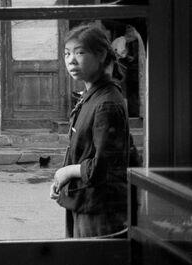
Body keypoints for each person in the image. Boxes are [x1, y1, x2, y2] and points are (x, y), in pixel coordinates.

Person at [49, 22, 130, 238]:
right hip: (84, 200)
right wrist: (62, 182)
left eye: (80, 52)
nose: (70, 60)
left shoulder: (106, 103)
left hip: (99, 209)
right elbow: (82, 151)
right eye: (66, 54)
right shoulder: (91, 96)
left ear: (101, 54)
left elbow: (102, 167)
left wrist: (66, 172)